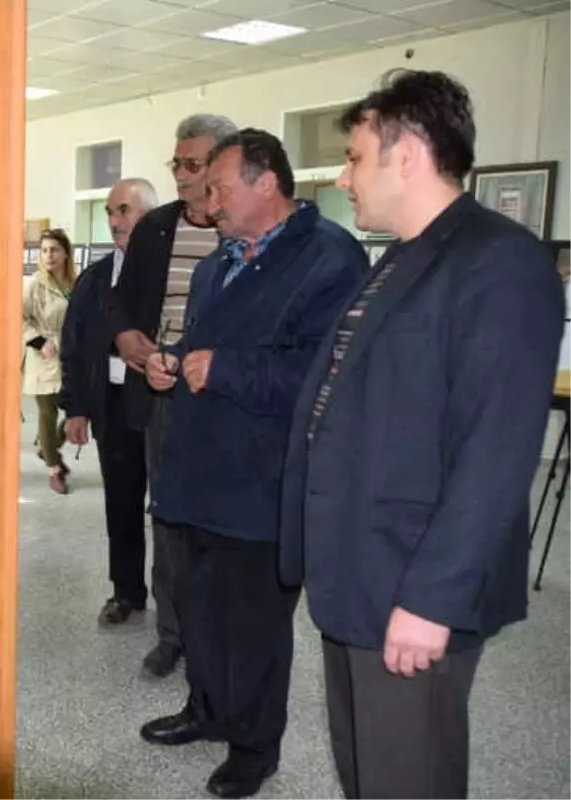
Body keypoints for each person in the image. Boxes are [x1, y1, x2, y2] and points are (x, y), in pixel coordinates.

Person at [280, 69, 564, 800]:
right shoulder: (400, 258)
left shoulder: (500, 262)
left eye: (352, 156)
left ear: (405, 154)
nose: (343, 176)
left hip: (413, 582)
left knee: (409, 778)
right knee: (368, 772)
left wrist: (434, 598)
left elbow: (496, 451)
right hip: (360, 569)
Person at [141, 128, 366, 798]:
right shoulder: (219, 262)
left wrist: (228, 369)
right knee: (200, 606)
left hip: (263, 479)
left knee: (255, 625)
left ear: (266, 182)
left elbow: (327, 375)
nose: (208, 202)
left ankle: (253, 744)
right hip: (198, 471)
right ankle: (207, 709)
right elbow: (205, 349)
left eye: (219, 187)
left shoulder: (330, 259)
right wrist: (170, 362)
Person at [106, 113, 237, 674]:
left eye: (193, 164)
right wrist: (126, 336)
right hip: (162, 395)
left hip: (227, 400)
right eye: (176, 164)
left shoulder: (241, 230)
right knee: (168, 518)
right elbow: (120, 302)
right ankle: (171, 633)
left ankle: (218, 635)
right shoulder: (156, 227)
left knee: (222, 524)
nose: (181, 175)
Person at [60, 177, 160, 624]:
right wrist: (75, 407)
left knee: (170, 510)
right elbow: (74, 345)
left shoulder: (173, 270)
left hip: (165, 406)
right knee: (120, 502)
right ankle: (126, 591)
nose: (116, 221)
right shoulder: (96, 279)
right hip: (113, 406)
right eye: (110, 212)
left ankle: (176, 610)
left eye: (125, 210)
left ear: (151, 216)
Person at [23, 228, 77, 494]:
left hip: (70, 355)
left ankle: (48, 449)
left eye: (54, 249)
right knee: (47, 412)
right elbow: (19, 318)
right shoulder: (33, 284)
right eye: (44, 250)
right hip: (42, 355)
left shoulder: (75, 284)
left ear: (66, 253)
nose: (49, 255)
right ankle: (54, 470)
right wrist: (39, 342)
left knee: (76, 409)